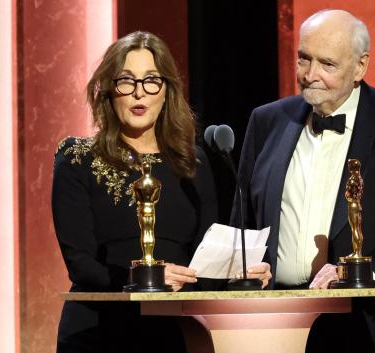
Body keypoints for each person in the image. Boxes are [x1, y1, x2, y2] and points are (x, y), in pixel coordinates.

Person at [233, 9, 375, 353]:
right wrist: (245, 269)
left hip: (373, 324)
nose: (310, 75)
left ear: (360, 67)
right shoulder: (267, 121)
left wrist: (362, 275)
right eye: (303, 59)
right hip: (281, 323)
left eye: (327, 64)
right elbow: (244, 224)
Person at [52, 31, 271, 353]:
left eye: (152, 81)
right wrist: (147, 279)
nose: (139, 93)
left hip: (177, 332)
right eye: (126, 81)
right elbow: (81, 264)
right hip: (99, 330)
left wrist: (237, 272)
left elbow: (201, 264)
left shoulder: (192, 162)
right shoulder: (78, 157)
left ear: (167, 90)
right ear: (109, 91)